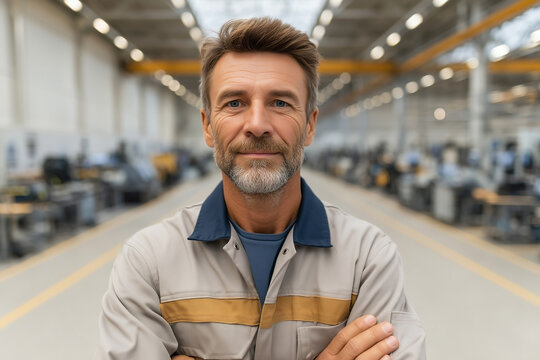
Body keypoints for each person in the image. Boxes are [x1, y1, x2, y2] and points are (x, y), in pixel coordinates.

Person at [95, 17, 426, 360]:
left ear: (310, 126)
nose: (257, 125)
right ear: (208, 126)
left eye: (280, 103)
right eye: (235, 103)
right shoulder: (149, 263)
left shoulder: (367, 259)